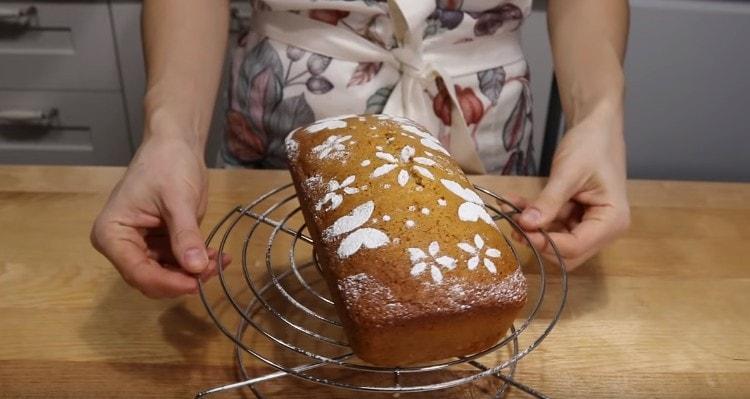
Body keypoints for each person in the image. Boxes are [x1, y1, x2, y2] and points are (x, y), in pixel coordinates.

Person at [91, 0, 630, 299]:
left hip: (476, 116)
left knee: (471, 290)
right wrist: (170, 134)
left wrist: (601, 116)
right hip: (292, 107)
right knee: (281, 286)